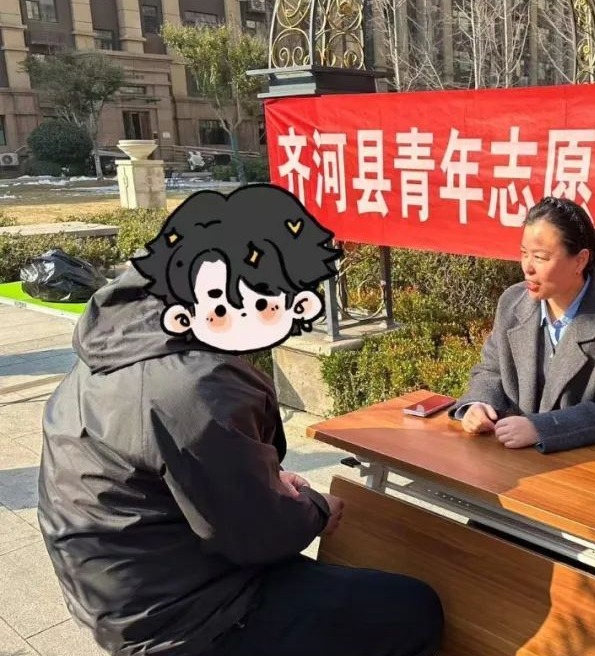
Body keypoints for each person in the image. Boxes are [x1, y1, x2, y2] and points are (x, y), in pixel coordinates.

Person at [37, 185, 443, 656]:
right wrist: (315, 508)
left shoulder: (122, 342)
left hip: (128, 591)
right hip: (187, 620)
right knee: (413, 606)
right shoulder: (193, 383)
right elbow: (256, 535)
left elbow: (184, 474)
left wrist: (266, 480)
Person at [452, 196, 595, 454]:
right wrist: (479, 403)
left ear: (580, 260)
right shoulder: (512, 303)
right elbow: (492, 369)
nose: (527, 267)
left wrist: (542, 428)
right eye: (524, 253)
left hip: (593, 463)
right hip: (519, 456)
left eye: (540, 257)